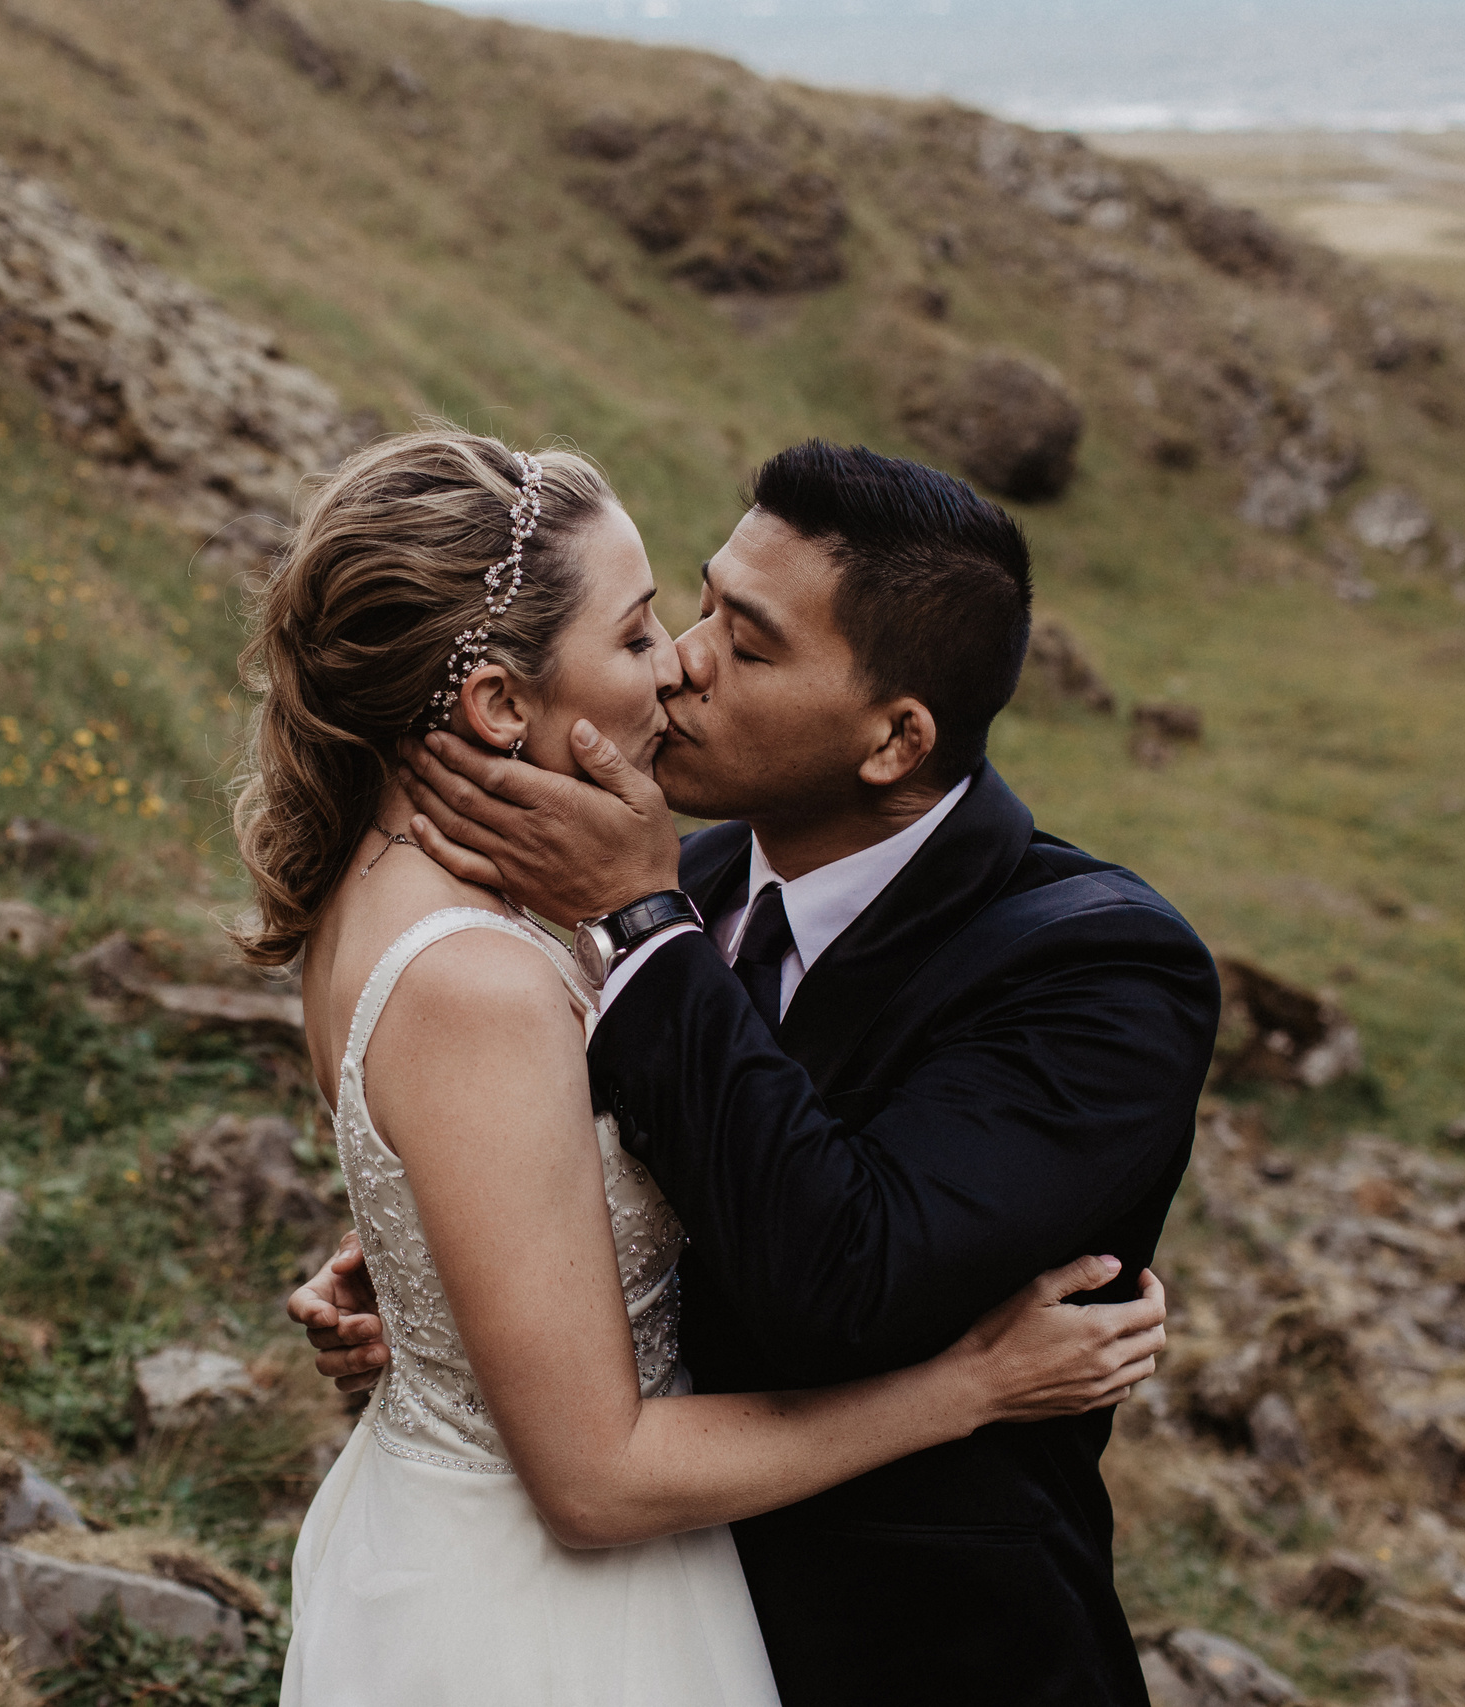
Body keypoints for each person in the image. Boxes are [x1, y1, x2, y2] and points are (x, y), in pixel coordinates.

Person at [241, 427, 1170, 1705]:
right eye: (684, 613)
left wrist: (639, 927)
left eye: (747, 642)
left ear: (894, 740)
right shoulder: (653, 883)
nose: (683, 660)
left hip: (914, 1660)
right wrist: (448, 1273)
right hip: (587, 1613)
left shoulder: (1099, 968)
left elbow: (842, 1276)